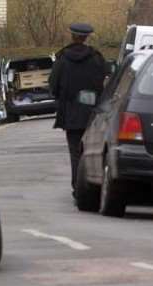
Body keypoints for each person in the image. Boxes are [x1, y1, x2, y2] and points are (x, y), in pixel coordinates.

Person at [49, 23, 106, 199]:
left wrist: (65, 98)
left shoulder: (62, 59)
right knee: (92, 150)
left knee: (75, 152)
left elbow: (53, 85)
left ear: (72, 36)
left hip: (71, 113)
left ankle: (77, 188)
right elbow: (102, 84)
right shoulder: (96, 58)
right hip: (92, 114)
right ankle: (93, 186)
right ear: (87, 37)